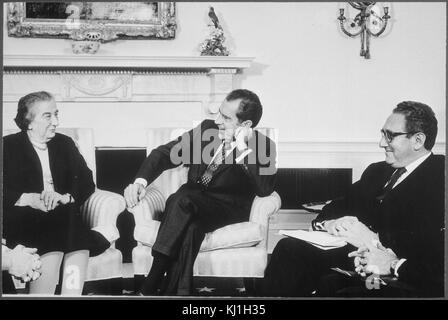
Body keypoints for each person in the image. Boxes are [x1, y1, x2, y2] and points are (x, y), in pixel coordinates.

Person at [260, 101, 444, 297]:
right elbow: (338, 205)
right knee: (290, 249)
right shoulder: (377, 171)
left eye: (390, 136)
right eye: (383, 133)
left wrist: (375, 239)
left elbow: (430, 242)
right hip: (352, 255)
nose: (381, 143)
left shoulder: (440, 176)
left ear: (418, 140)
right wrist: (330, 223)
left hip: (395, 266)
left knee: (334, 286)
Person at [124, 89, 277, 295]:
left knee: (181, 198)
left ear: (246, 124)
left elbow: (265, 188)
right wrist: (140, 182)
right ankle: (178, 293)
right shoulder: (207, 129)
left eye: (225, 117)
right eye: (219, 112)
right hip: (192, 204)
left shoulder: (264, 146)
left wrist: (242, 148)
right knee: (191, 227)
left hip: (226, 209)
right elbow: (165, 153)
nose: (217, 120)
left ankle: (150, 284)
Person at [3, 91, 110, 295]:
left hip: (61, 216)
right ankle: (42, 295)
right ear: (29, 121)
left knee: (66, 216)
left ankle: (71, 294)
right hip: (22, 219)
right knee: (59, 221)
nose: (56, 121)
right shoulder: (7, 146)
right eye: (48, 116)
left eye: (56, 114)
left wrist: (65, 196)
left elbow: (86, 180)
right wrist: (28, 199)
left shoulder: (64, 143)